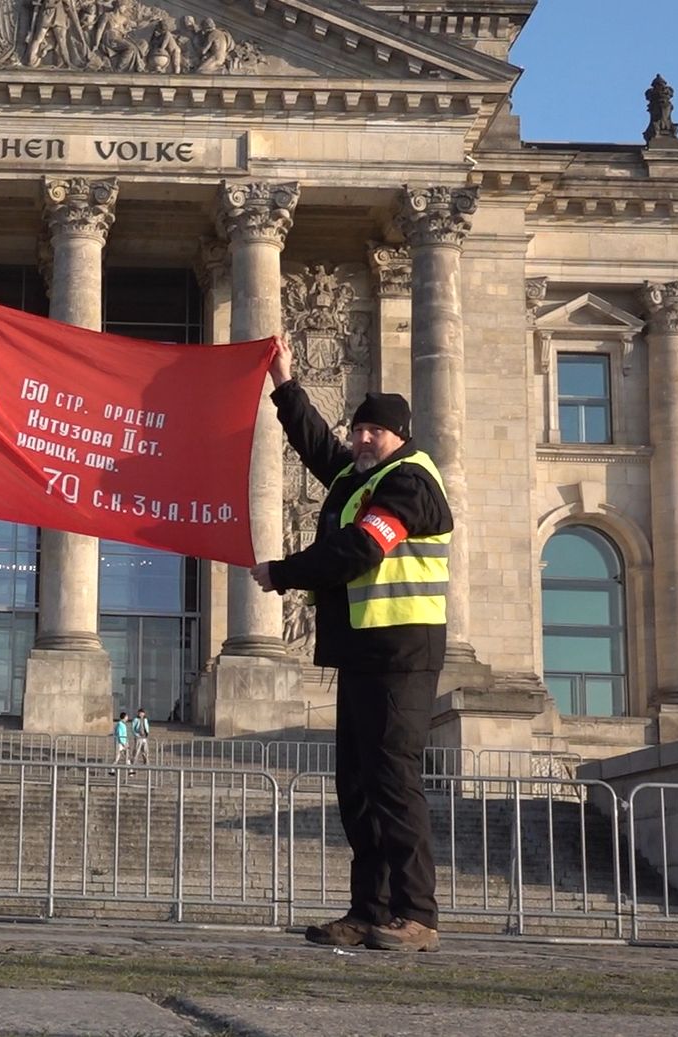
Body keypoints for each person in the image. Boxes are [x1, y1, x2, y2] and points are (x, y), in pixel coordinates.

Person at [249, 341, 452, 953]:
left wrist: (283, 573)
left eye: (376, 432)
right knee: (358, 787)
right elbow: (316, 445)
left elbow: (363, 549)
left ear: (400, 436)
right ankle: (370, 910)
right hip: (362, 654)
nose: (363, 440)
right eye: (359, 430)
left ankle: (417, 915)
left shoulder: (411, 483)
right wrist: (285, 384)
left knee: (393, 782)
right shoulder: (358, 475)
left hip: (402, 654)